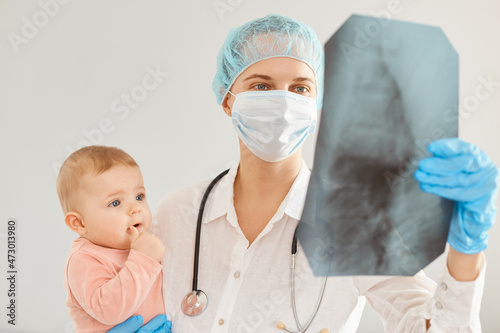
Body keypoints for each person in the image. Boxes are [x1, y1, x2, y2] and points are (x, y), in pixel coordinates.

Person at [116, 14, 498, 332]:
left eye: (300, 88)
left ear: (316, 106)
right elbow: (111, 297)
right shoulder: (177, 213)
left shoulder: (354, 224)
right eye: (261, 85)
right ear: (228, 100)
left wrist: (468, 251)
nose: (282, 102)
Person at [57, 146, 171, 332]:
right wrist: (144, 259)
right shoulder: (84, 259)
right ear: (79, 222)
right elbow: (109, 311)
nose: (136, 208)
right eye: (115, 203)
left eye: (139, 196)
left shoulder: (143, 244)